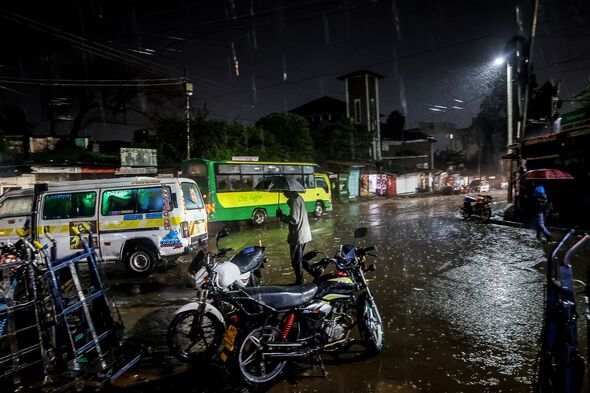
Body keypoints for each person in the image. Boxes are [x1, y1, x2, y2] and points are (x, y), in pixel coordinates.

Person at [276, 191, 312, 285]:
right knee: (298, 259)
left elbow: (294, 220)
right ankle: (311, 273)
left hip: (298, 236)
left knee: (295, 260)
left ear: (290, 191)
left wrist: (282, 217)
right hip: (303, 234)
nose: (283, 194)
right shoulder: (298, 199)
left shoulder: (295, 201)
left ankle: (300, 282)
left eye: (285, 191)